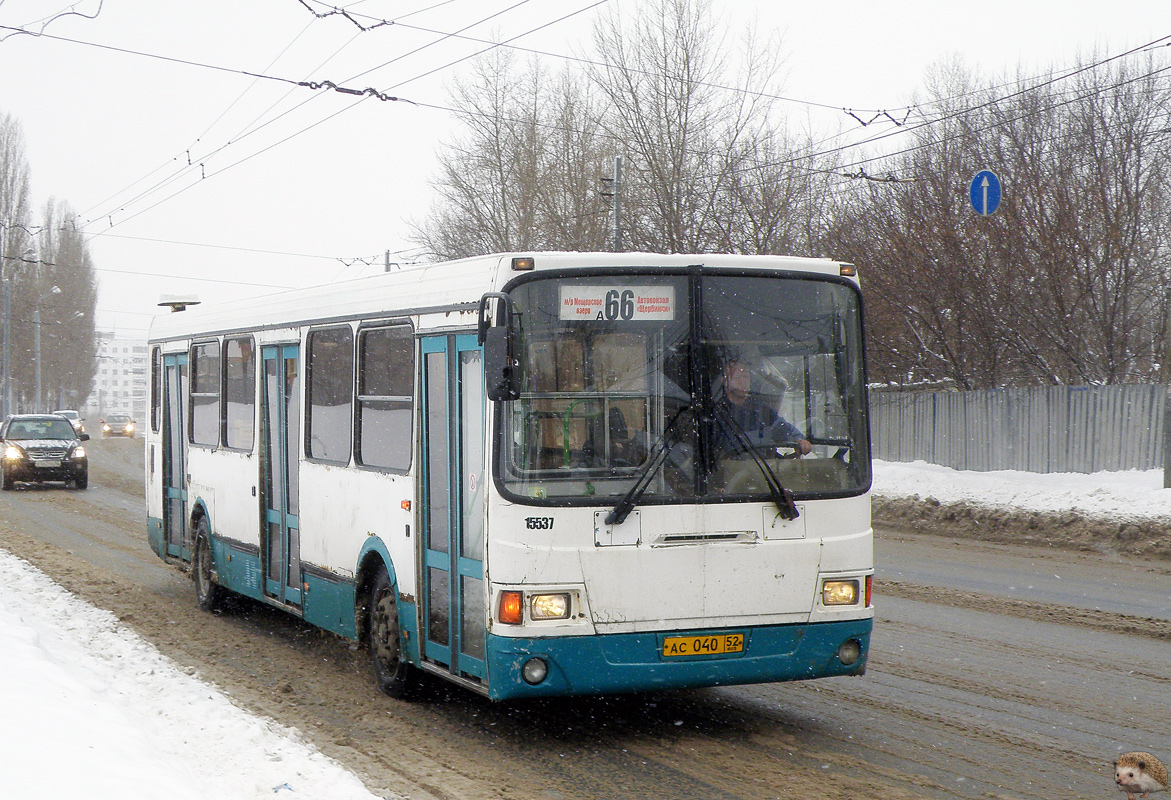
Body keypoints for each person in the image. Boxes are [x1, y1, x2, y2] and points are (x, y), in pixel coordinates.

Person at [716, 360, 812, 456]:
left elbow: (786, 430)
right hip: (733, 469)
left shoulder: (761, 411)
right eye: (737, 377)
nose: (742, 381)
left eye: (745, 376)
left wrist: (800, 442)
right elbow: (714, 453)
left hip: (764, 468)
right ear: (725, 381)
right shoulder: (718, 413)